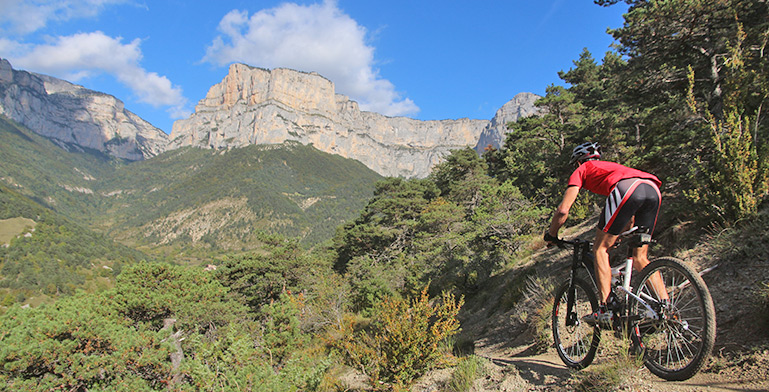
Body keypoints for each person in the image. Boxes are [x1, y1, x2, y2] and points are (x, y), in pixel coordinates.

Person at [544, 142, 663, 327]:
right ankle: (665, 307)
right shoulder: (610, 167)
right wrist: (617, 235)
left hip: (627, 189)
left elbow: (562, 210)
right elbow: (630, 218)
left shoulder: (582, 170)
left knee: (600, 249)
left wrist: (552, 234)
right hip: (652, 188)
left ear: (578, 162)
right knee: (641, 258)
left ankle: (606, 308)